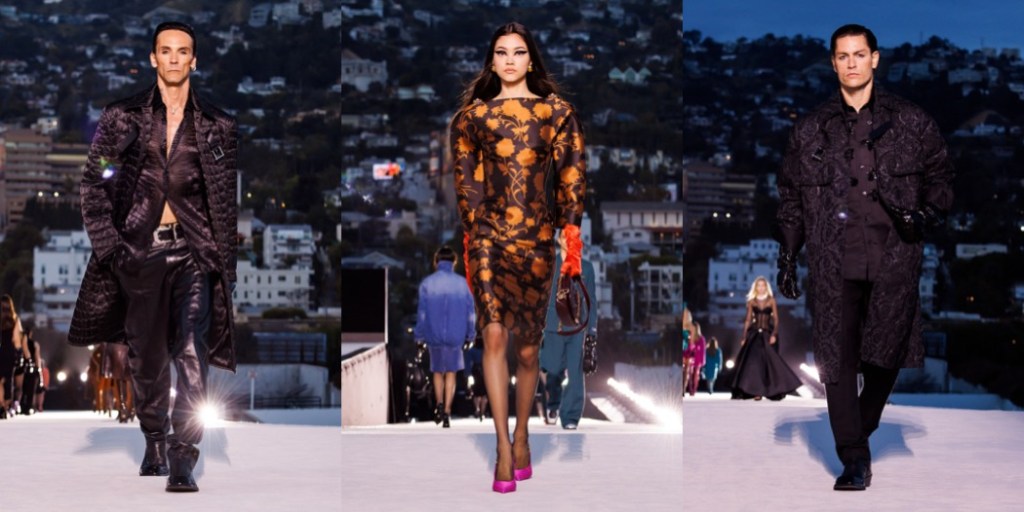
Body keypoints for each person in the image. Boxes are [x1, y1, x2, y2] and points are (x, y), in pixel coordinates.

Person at [775, 24, 954, 491]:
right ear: (832, 62)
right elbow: (790, 195)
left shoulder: (912, 122)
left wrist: (926, 213)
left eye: (859, 54)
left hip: (896, 255)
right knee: (836, 357)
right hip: (832, 259)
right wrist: (788, 254)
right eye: (843, 56)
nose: (851, 63)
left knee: (887, 350)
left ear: (875, 58)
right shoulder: (809, 129)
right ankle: (853, 457)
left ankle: (860, 424)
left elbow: (941, 176)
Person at [68, 21, 238, 493]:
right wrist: (111, 248)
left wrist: (224, 267)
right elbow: (94, 182)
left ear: (194, 60)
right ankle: (155, 439)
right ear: (153, 58)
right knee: (147, 359)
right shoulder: (121, 118)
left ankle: (184, 454)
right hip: (138, 254)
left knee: (192, 351)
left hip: (194, 253)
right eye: (166, 50)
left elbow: (224, 203)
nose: (174, 58)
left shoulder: (219, 125)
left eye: (183, 51)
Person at [452, 21, 586, 493]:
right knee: (492, 335)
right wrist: (474, 230)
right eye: (501, 52)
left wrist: (570, 235)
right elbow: (465, 181)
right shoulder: (471, 118)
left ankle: (523, 435)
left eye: (519, 52)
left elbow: (572, 176)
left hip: (537, 240)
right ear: (491, 61)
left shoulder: (557, 112)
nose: (510, 60)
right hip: (487, 237)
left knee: (529, 350)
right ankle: (503, 449)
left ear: (531, 60)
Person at [413, 246, 477, 429]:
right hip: (456, 335)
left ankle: (439, 404)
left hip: (434, 334)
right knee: (451, 372)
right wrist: (470, 334)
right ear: (454, 262)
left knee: (437, 371)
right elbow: (470, 313)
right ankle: (447, 411)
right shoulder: (463, 284)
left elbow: (422, 314)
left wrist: (419, 337)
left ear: (437, 262)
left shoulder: (427, 284)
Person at [540, 253, 596, 429]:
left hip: (577, 327)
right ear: (560, 240)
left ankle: (571, 416)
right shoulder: (549, 264)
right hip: (553, 326)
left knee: (575, 372)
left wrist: (592, 330)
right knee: (553, 369)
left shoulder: (587, 267)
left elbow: (591, 300)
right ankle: (553, 404)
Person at [731, 277, 801, 401]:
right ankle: (756, 391)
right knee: (753, 362)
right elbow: (748, 320)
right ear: (755, 287)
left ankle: (774, 388)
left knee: (770, 362)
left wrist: (774, 334)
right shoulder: (752, 301)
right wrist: (744, 336)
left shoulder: (771, 300)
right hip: (754, 334)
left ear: (766, 287)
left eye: (763, 285)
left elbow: (776, 319)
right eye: (759, 285)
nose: (761, 287)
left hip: (768, 334)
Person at [0, 295, 26, 419]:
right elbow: (16, 339)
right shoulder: (14, 320)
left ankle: (0, 405)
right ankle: (5, 406)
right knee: (8, 380)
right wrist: (19, 353)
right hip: (9, 352)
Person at [685, 321, 706, 396]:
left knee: (696, 375)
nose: (690, 328)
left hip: (697, 359)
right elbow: (687, 348)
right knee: (690, 374)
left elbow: (702, 351)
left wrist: (702, 361)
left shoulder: (701, 338)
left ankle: (694, 389)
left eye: (692, 327)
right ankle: (690, 389)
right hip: (690, 358)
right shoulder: (689, 337)